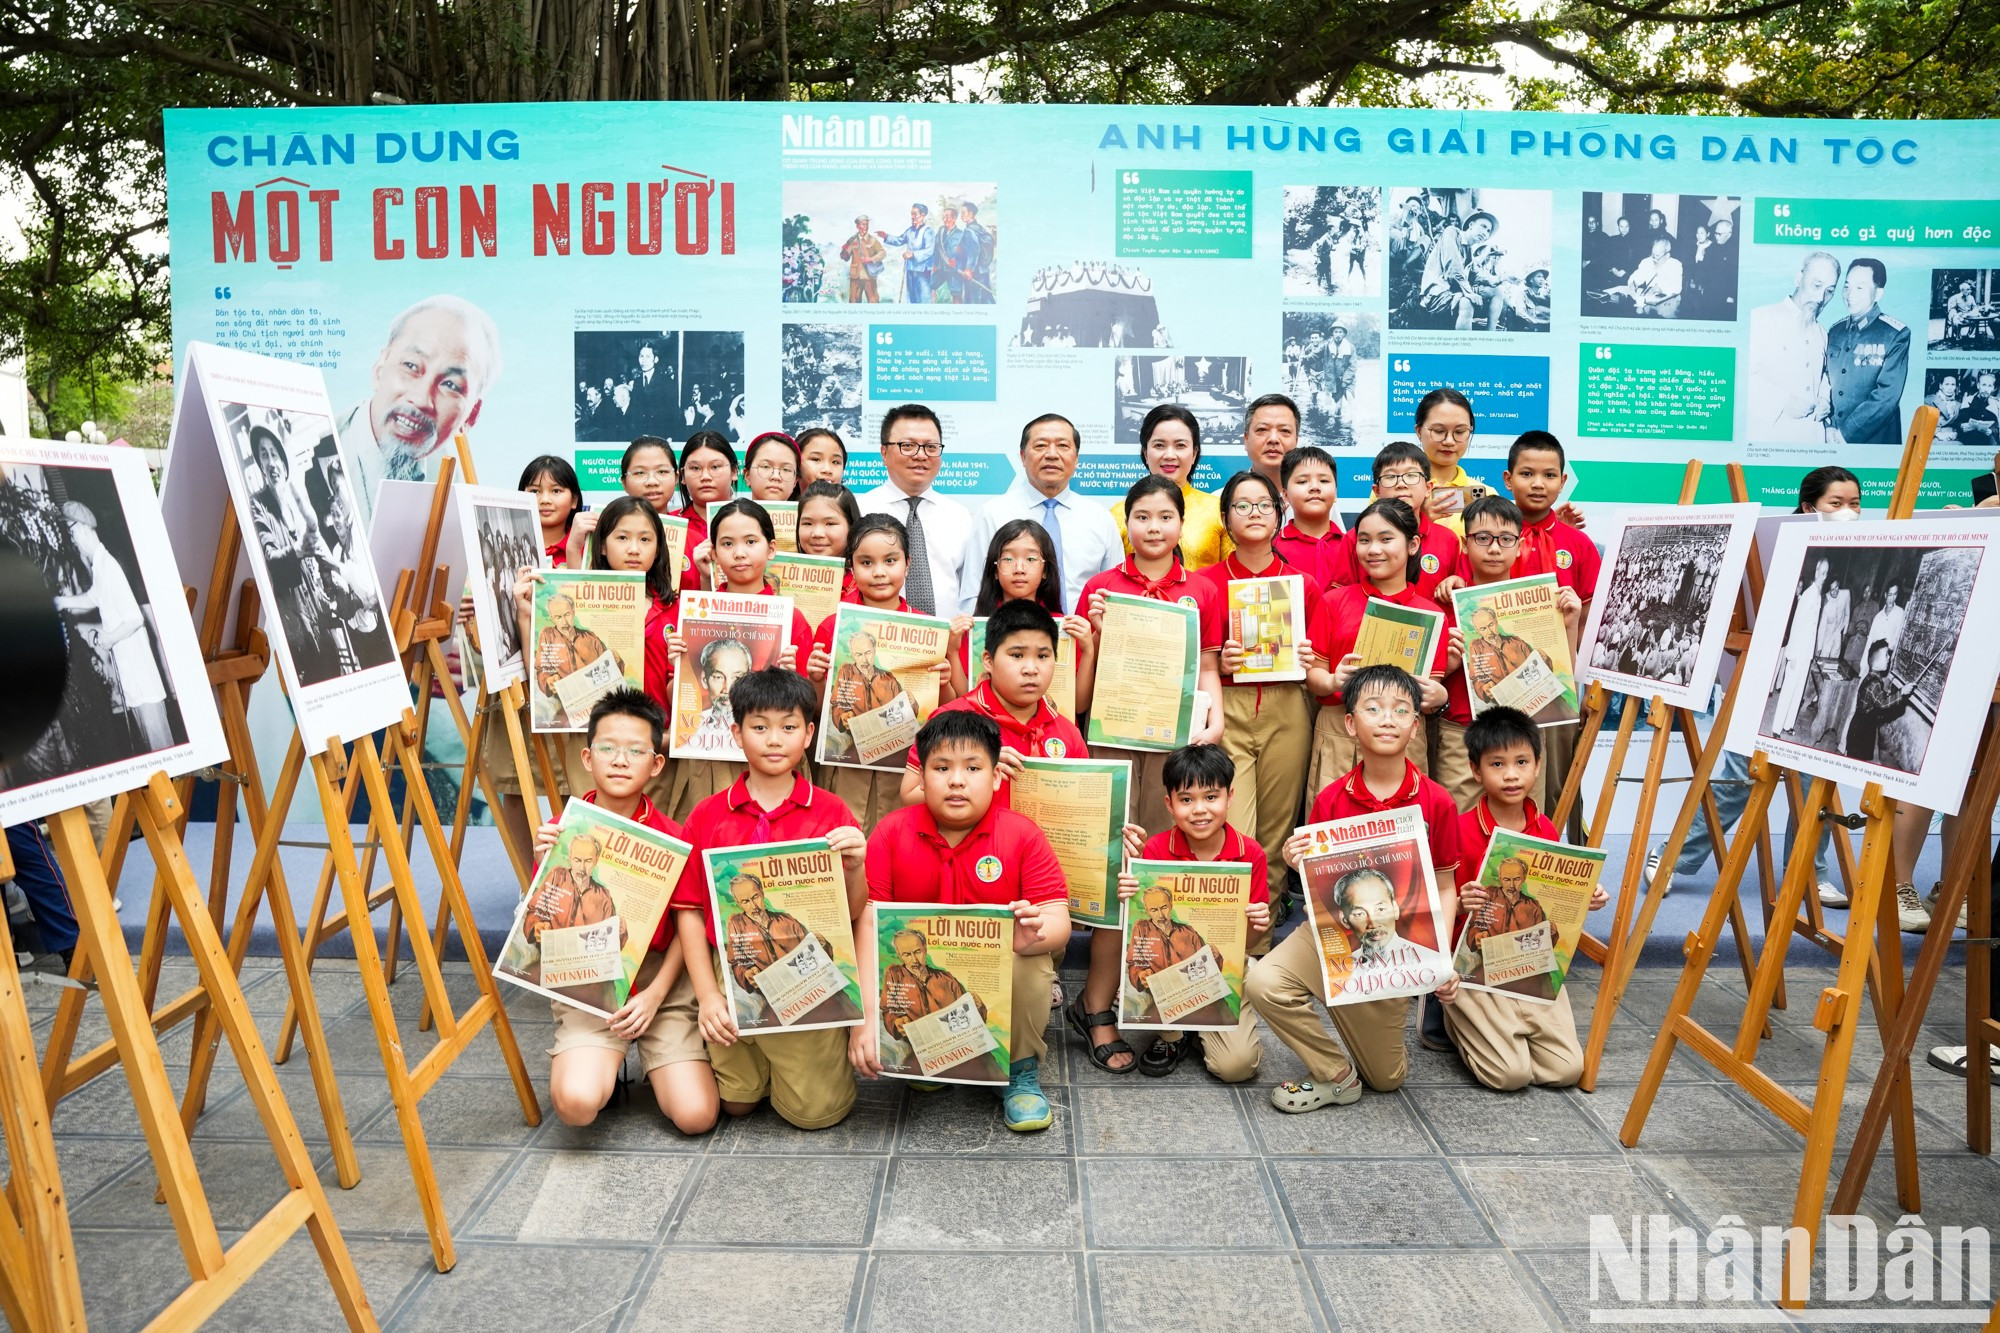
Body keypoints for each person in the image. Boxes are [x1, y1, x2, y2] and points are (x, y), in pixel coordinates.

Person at [1250, 665, 1461, 1110]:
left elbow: (1445, 886)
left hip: (1395, 948)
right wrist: (1297, 862)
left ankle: (1354, 1019)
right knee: (1264, 981)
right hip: (1334, 937)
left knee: (1387, 1081)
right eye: (1373, 708)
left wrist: (1437, 954)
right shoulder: (1329, 799)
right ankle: (1335, 1073)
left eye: (1401, 710)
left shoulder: (1437, 801)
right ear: (1350, 723)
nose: (1387, 719)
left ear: (1415, 725)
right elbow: (1321, 890)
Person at [669, 669, 868, 1129]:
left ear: (809, 733)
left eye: (789, 726)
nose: (774, 739)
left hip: (804, 977)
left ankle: (803, 1059)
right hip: (734, 975)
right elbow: (690, 912)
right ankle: (752, 1067)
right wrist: (708, 996)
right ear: (736, 733)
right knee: (737, 1104)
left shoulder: (832, 812)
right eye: (759, 727)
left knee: (816, 1115)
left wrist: (855, 865)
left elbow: (854, 912)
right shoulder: (708, 815)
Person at [857, 711, 1073, 1131]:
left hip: (998, 967)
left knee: (1032, 958)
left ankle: (1020, 1069)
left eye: (973, 768)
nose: (957, 781)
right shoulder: (889, 832)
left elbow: (1058, 917)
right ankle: (929, 1054)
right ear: (922, 779)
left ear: (995, 777)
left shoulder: (1023, 834)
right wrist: (865, 1019)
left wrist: (1034, 933)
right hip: (925, 978)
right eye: (941, 768)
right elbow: (868, 922)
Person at [536, 689, 717, 1133]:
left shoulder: (675, 837)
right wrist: (541, 865)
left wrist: (654, 996)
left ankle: (657, 1058)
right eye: (608, 749)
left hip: (661, 985)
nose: (620, 761)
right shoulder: (564, 832)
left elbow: (685, 927)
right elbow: (542, 923)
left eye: (636, 751)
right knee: (576, 1105)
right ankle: (605, 1061)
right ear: (586, 757)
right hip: (592, 981)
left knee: (696, 1116)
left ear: (656, 764)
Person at [1438, 706, 1607, 1088]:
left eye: (1521, 762)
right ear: (1475, 770)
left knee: (1565, 1070)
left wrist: (1587, 896)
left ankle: (1508, 1030)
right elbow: (1439, 902)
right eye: (1497, 764)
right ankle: (1458, 1024)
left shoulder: (1544, 828)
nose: (1511, 774)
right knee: (1508, 1075)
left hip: (1529, 966)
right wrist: (1463, 901)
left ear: (1537, 765)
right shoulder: (1460, 830)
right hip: (1475, 969)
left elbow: (1553, 903)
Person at [1096, 743, 1271, 1080]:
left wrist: (1257, 923)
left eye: (1211, 797)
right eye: (1186, 799)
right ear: (1169, 803)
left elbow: (1246, 941)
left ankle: (1200, 1028)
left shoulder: (1250, 853)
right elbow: (1137, 932)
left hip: (1222, 972)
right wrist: (1128, 896)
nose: (1199, 810)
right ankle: (1174, 1035)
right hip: (1168, 976)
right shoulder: (1158, 850)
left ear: (1230, 797)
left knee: (1236, 1067)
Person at [1077, 475, 1226, 837]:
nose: (1154, 528)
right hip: (1110, 728)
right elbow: (1080, 689)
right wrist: (1094, 633)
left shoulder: (1202, 589)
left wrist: (1217, 722)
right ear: (1126, 524)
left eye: (1165, 517)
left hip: (1174, 730)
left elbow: (1207, 666)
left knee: (1166, 829)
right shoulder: (1101, 588)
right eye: (1142, 517)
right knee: (1110, 829)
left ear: (1182, 524)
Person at [1202, 470, 1334, 880]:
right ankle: (1231, 927)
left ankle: (1263, 930)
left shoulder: (1304, 585)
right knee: (1233, 826)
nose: (1253, 513)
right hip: (1229, 707)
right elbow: (1194, 661)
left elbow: (1320, 661)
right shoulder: (1207, 584)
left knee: (1279, 828)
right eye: (1242, 506)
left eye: (1263, 505)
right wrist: (1218, 663)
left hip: (1288, 706)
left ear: (1279, 515)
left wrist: (1309, 657)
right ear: (1226, 518)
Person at [662, 499, 811, 821]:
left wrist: (790, 676)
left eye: (751, 542)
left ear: (771, 549)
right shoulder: (692, 615)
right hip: (706, 760)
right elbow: (679, 702)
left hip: (770, 758)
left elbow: (806, 704)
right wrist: (680, 667)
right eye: (727, 544)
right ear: (713, 552)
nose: (739, 553)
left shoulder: (791, 619)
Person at [806, 512, 953, 828]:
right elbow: (819, 709)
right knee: (843, 840)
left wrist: (945, 682)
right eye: (866, 562)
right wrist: (816, 680)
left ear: (907, 564)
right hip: (845, 765)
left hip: (903, 766)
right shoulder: (834, 627)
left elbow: (941, 707)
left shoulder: (927, 627)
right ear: (851, 566)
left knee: (896, 844)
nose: (879, 572)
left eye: (890, 560)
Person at [1432, 495, 1579, 807]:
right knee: (1461, 831)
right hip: (1462, 735)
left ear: (1519, 543)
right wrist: (1450, 664)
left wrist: (1570, 624)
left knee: (1523, 832)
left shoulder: (1537, 605)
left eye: (1505, 539)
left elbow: (1561, 676)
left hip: (1523, 733)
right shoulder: (1447, 606)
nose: (1495, 548)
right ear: (1465, 543)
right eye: (1483, 538)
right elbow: (1431, 684)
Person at [1314, 498, 1454, 791]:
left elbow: (1428, 694)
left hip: (1403, 736)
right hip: (1341, 731)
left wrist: (1438, 696)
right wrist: (1330, 681)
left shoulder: (1431, 615)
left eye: (1386, 539)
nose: (1373, 549)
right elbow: (1313, 676)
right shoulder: (1332, 602)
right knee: (1335, 829)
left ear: (1413, 545)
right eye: (1364, 540)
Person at [901, 598, 1091, 808]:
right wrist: (977, 768)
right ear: (988, 661)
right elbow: (909, 794)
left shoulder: (1068, 733)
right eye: (1017, 655)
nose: (1031, 668)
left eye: (1043, 656)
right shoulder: (950, 718)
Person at [335, 294, 501, 531]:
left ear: (472, 415)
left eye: (451, 385)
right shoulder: (311, 451)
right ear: (379, 368)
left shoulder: (459, 483)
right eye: (411, 366)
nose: (422, 399)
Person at [956, 413, 1123, 614]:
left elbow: (1114, 593)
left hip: (1082, 639)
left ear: (1077, 458)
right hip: (1006, 639)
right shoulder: (992, 514)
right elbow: (973, 593)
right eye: (1040, 446)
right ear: (1023, 457)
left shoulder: (1100, 518)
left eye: (1062, 446)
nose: (1052, 454)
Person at [57, 501, 172, 753]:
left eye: (73, 532)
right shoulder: (99, 566)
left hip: (141, 674)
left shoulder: (109, 567)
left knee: (161, 749)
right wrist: (62, 601)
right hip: (131, 673)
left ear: (85, 528)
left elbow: (134, 619)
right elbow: (93, 597)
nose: (73, 540)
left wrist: (107, 638)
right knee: (149, 747)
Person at [856, 404, 971, 617]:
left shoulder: (961, 517)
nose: (920, 455)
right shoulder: (859, 511)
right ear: (883, 452)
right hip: (876, 638)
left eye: (931, 447)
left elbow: (971, 591)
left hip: (949, 642)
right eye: (907, 446)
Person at [1109, 404, 1231, 570]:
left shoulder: (1218, 511)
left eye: (1180, 445)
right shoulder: (1117, 515)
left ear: (1194, 453)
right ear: (1145, 452)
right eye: (1159, 445)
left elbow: (1230, 578)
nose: (1169, 455)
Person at [1336, 440, 1462, 599]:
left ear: (1428, 488)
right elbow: (1341, 597)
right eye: (1390, 476)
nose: (1401, 484)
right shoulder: (1355, 538)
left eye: (1411, 475)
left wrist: (1456, 583)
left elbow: (1458, 592)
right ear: (1377, 491)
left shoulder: (1448, 539)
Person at [1748, 252, 1839, 443]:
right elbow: (1742, 377)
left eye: (1829, 291)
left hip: (1812, 439)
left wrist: (1824, 400)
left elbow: (1824, 375)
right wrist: (1782, 401)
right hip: (1770, 439)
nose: (1821, 297)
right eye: (1816, 285)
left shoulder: (1822, 333)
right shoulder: (1761, 319)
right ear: (1799, 278)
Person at [1824, 258, 1911, 445]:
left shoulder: (1895, 334)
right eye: (1846, 287)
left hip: (1874, 442)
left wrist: (1846, 434)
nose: (1850, 295)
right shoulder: (1834, 331)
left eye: (1860, 288)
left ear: (1878, 293)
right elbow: (1824, 380)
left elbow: (1887, 396)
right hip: (1831, 437)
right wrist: (1828, 424)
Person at [1273, 446, 1345, 592]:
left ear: (1336, 493)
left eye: (1324, 481)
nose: (1314, 487)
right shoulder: (1272, 548)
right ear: (1285, 496)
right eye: (1302, 481)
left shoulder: (1353, 547)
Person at [677, 433, 742, 587]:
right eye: (695, 468)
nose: (705, 476)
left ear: (734, 472)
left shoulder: (754, 521)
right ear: (682, 476)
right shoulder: (670, 527)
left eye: (715, 467)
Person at [1410, 388, 1476, 536]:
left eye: (1460, 432)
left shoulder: (1486, 496)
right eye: (1439, 431)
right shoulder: (1394, 487)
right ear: (1419, 431)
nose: (1449, 441)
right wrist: (1417, 517)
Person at [1236, 393, 1301, 495]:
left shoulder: (1326, 508)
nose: (1273, 439)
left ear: (1296, 441)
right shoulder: (1219, 503)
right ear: (1246, 440)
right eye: (1262, 429)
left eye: (1284, 430)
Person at [1608, 235, 1683, 317]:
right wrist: (1634, 283)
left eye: (1657, 256)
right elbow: (1637, 276)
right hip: (1646, 306)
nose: (1653, 259)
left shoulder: (1675, 265)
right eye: (1652, 254)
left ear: (1667, 255)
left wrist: (1659, 289)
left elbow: (1677, 288)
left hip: (1666, 309)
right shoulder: (1647, 262)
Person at [883, 203, 938, 303]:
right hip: (910, 269)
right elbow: (900, 240)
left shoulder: (928, 231)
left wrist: (913, 254)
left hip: (923, 271)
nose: (912, 217)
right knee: (911, 299)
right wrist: (886, 236)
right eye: (912, 214)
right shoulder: (910, 231)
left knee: (924, 299)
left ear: (923, 215)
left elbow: (929, 251)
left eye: (915, 214)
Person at [796, 480, 859, 559]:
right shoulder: (782, 569)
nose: (817, 534)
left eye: (830, 524)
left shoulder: (865, 571)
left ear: (851, 526)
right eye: (808, 523)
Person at [627, 340, 674, 438]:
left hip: (659, 436)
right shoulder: (637, 382)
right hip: (640, 436)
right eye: (641, 356)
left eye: (648, 356)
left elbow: (671, 412)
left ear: (655, 359)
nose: (643, 360)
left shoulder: (666, 381)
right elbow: (635, 411)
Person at [743, 432, 802, 504]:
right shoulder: (733, 515)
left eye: (786, 469)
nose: (776, 476)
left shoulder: (805, 515)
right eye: (766, 466)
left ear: (795, 481)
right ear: (747, 475)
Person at [839, 216, 886, 302]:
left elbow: (882, 253)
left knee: (873, 301)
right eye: (863, 224)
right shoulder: (852, 240)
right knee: (854, 301)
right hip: (855, 276)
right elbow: (845, 258)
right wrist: (844, 251)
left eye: (867, 225)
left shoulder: (872, 240)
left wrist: (871, 259)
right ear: (857, 226)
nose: (865, 227)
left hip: (869, 275)